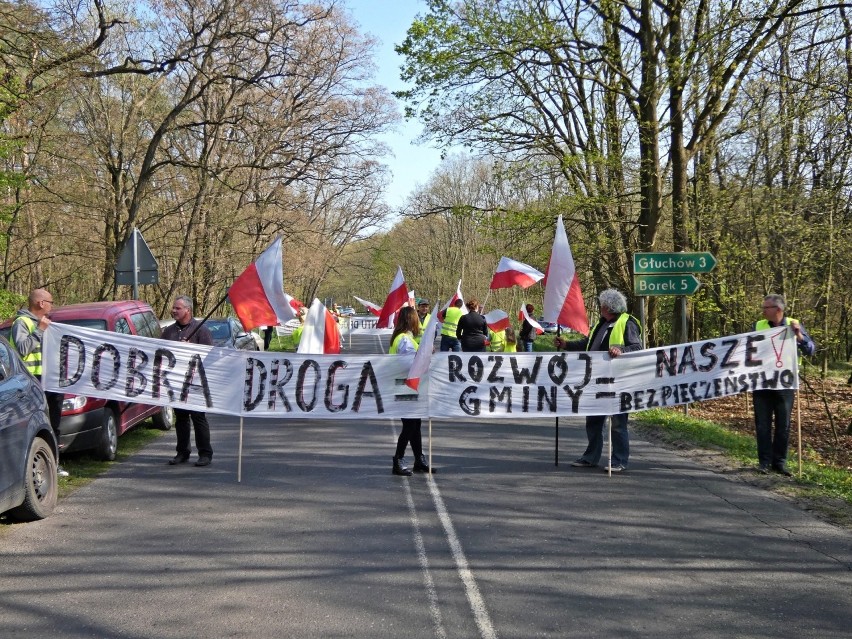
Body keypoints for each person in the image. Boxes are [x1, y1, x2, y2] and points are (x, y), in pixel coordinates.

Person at [554, 288, 642, 472]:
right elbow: (587, 345)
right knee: (593, 421)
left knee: (618, 424)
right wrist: (566, 345)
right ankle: (590, 457)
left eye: (602, 305)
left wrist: (621, 351)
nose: (600, 307)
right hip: (595, 381)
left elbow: (637, 347)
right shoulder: (600, 324)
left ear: (609, 307)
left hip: (618, 382)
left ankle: (619, 460)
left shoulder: (627, 323)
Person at [752, 294, 815, 476]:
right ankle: (763, 463)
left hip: (785, 384)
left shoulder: (794, 324)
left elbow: (811, 349)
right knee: (763, 425)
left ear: (778, 310)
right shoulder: (758, 326)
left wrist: (799, 336)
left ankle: (779, 463)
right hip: (762, 382)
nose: (763, 311)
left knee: (783, 425)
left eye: (766, 308)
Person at [11, 288, 68, 477]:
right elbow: (22, 349)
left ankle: (56, 464)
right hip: (33, 382)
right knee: (40, 424)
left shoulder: (46, 323)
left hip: (50, 380)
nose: (53, 306)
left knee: (54, 424)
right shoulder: (22, 322)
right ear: (41, 303)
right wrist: (40, 331)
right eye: (50, 302)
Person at [161, 295, 215, 467]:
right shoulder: (168, 332)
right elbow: (160, 354)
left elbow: (209, 356)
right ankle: (182, 452)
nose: (174, 310)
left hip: (196, 383)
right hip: (177, 383)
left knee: (198, 417)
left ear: (187, 310)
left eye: (178, 308)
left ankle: (205, 454)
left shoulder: (201, 331)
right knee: (181, 418)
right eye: (174, 308)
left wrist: (192, 348)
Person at [389, 306, 431, 476]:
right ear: (411, 320)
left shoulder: (403, 337)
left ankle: (419, 459)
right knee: (410, 425)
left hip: (406, 385)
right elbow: (410, 364)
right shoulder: (404, 339)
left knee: (415, 423)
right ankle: (398, 460)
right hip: (405, 385)